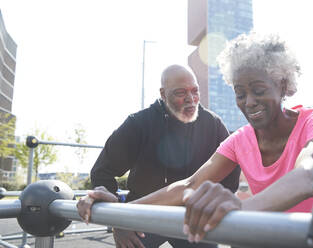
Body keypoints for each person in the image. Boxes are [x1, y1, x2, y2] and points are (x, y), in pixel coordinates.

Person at [78, 33, 313, 245]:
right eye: (240, 93)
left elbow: (308, 176)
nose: (249, 102)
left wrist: (237, 208)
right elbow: (188, 185)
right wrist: (124, 212)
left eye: (258, 90)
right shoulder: (240, 140)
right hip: (271, 239)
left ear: (283, 85)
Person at [82, 64, 241, 248]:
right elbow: (102, 172)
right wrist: (118, 219)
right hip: (143, 213)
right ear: (163, 94)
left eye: (195, 91)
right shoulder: (139, 124)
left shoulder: (213, 124)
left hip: (191, 216)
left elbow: (230, 175)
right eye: (181, 93)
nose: (191, 99)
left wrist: (209, 206)